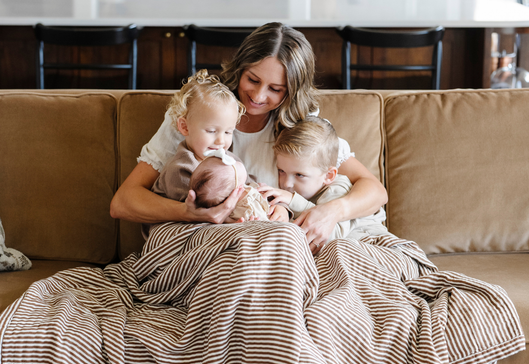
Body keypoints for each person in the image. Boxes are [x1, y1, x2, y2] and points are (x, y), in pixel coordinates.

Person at [110, 22, 388, 255]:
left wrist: (331, 212)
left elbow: (375, 190)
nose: (258, 96)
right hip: (216, 248)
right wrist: (189, 213)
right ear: (240, 69)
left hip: (271, 247)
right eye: (252, 80)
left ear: (291, 92)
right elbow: (123, 202)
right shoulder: (201, 116)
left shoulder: (301, 125)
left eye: (275, 89)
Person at [150, 70, 289, 223]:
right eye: (211, 131)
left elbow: (250, 185)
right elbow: (198, 212)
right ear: (185, 127)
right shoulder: (179, 169)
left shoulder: (228, 159)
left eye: (229, 132)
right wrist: (233, 221)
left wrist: (279, 206)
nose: (221, 141)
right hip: (183, 230)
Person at [258, 116, 388, 240]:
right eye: (281, 171)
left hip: (371, 242)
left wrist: (292, 201)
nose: (287, 183)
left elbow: (330, 235)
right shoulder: (305, 191)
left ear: (328, 175)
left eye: (299, 175)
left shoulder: (337, 189)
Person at [189, 152, 288, 222]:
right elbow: (265, 224)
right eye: (232, 164)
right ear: (237, 189)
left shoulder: (246, 187)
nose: (233, 159)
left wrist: (278, 205)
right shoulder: (246, 209)